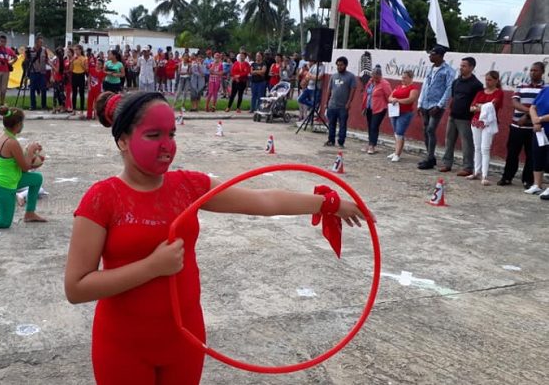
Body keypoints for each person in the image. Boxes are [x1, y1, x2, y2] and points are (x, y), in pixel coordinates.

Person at [65, 90, 366, 384]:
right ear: (122, 141)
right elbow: (76, 287)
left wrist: (328, 204)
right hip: (124, 346)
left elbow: (263, 201)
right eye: (153, 135)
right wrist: (152, 267)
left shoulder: (188, 186)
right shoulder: (102, 198)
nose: (167, 145)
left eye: (171, 134)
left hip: (185, 340)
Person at [501, 62, 545, 187]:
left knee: (531, 155)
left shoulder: (545, 89)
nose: (532, 72)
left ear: (542, 72)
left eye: (535, 70)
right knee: (512, 153)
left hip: (533, 128)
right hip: (517, 126)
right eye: (531, 70)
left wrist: (526, 116)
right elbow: (515, 103)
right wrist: (529, 111)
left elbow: (542, 107)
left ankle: (528, 180)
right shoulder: (521, 85)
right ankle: (507, 177)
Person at [440, 57, 483, 176]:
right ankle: (447, 163)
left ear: (471, 68)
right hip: (453, 115)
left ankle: (468, 167)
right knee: (449, 140)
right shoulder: (456, 82)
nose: (461, 68)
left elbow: (477, 101)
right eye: (461, 65)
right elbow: (453, 97)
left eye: (464, 66)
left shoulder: (476, 85)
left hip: (465, 118)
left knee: (467, 143)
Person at [417, 45, 455, 170]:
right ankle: (430, 156)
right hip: (426, 104)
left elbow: (449, 89)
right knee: (425, 130)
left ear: (439, 55)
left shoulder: (448, 71)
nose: (430, 56)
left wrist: (439, 105)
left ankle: (430, 157)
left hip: (436, 105)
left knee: (430, 129)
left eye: (432, 54)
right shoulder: (431, 69)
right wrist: (420, 103)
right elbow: (424, 86)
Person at [468, 71, 504, 185]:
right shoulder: (480, 92)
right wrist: (484, 106)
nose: (487, 82)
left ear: (496, 80)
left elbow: (492, 106)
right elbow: (472, 108)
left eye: (490, 80)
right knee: (477, 147)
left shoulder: (499, 93)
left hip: (488, 123)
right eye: (486, 80)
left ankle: (484, 174)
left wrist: (480, 106)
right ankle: (476, 171)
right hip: (476, 121)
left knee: (485, 148)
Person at [324, 56, 357, 149]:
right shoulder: (333, 76)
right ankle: (331, 140)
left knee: (342, 124)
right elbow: (329, 90)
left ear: (345, 65)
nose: (339, 67)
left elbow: (353, 90)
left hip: (343, 106)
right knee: (331, 124)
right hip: (332, 105)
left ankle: (341, 142)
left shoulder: (351, 76)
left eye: (341, 65)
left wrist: (349, 102)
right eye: (338, 65)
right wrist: (326, 102)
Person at [387, 70, 420, 162]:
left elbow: (411, 99)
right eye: (402, 77)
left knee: (399, 133)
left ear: (410, 78)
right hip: (395, 111)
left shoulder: (413, 88)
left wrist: (398, 100)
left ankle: (397, 154)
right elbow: (390, 97)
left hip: (405, 112)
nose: (403, 79)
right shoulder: (398, 86)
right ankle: (396, 151)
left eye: (405, 77)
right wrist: (393, 99)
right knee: (396, 133)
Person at [360, 66, 392, 154]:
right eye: (373, 76)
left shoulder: (384, 84)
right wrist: (364, 107)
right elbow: (366, 94)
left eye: (376, 77)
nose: (374, 78)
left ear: (380, 75)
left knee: (374, 126)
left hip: (380, 108)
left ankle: (372, 145)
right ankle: (370, 142)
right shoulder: (370, 82)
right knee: (370, 126)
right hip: (369, 107)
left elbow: (389, 96)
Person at [526, 86, 549, 199]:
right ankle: (537, 184)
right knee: (537, 155)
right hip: (540, 130)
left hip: (546, 126)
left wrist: (540, 119)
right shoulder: (545, 90)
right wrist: (535, 120)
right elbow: (533, 107)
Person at [0, 35, 16, 110]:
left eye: (4, 42)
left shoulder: (8, 50)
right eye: (1, 41)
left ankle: (2, 103)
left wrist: (11, 62)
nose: (3, 43)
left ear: (6, 42)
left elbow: (15, 57)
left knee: (3, 89)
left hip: (6, 71)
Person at [27, 35, 50, 111]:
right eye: (40, 42)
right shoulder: (30, 50)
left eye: (42, 42)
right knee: (32, 89)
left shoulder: (44, 50)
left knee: (44, 89)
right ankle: (33, 105)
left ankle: (44, 105)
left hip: (42, 72)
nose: (41, 43)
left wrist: (52, 65)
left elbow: (47, 60)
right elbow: (27, 61)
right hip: (33, 72)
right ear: (36, 42)